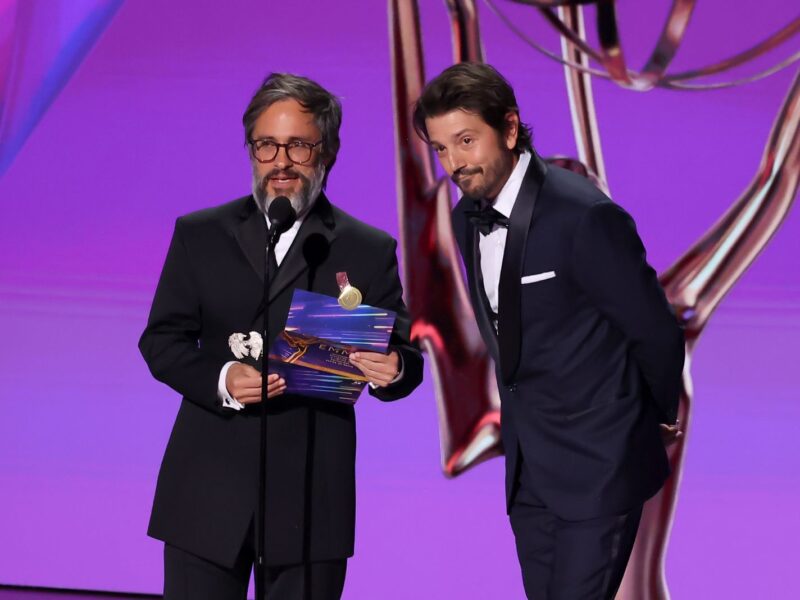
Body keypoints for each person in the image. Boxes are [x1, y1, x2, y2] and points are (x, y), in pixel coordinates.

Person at [139, 72, 423, 600]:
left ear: (327, 152)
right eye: (266, 145)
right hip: (206, 492)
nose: (281, 162)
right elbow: (161, 341)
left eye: (298, 145)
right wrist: (222, 377)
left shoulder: (366, 247)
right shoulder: (201, 234)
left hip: (310, 499)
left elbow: (402, 352)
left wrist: (396, 370)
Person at [413, 62, 684, 599]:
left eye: (466, 141)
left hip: (599, 468)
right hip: (529, 472)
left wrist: (648, 423)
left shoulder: (582, 216)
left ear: (509, 129)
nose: (455, 163)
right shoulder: (470, 214)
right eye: (442, 149)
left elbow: (654, 331)